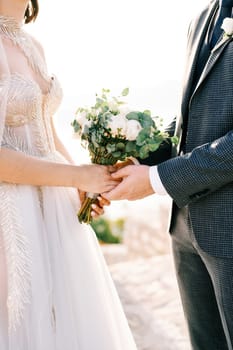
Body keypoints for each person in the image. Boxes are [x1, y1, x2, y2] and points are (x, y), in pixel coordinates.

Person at [0, 1, 138, 349]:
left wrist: (86, 184)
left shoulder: (34, 46)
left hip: (56, 207)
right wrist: (76, 176)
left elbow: (47, 131)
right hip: (13, 211)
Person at [105, 0, 233, 349]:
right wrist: (136, 156)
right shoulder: (201, 18)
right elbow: (190, 118)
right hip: (186, 230)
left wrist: (156, 179)